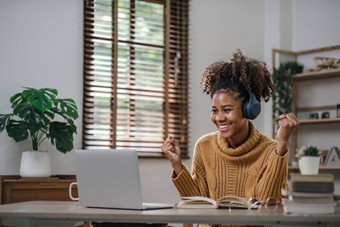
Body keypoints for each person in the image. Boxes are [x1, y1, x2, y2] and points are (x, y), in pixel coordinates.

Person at [161, 50, 299, 212]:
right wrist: (176, 164)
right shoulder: (204, 146)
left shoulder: (271, 151)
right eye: (215, 110)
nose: (219, 118)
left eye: (226, 110)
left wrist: (282, 144)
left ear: (249, 110)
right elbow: (197, 207)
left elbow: (267, 210)